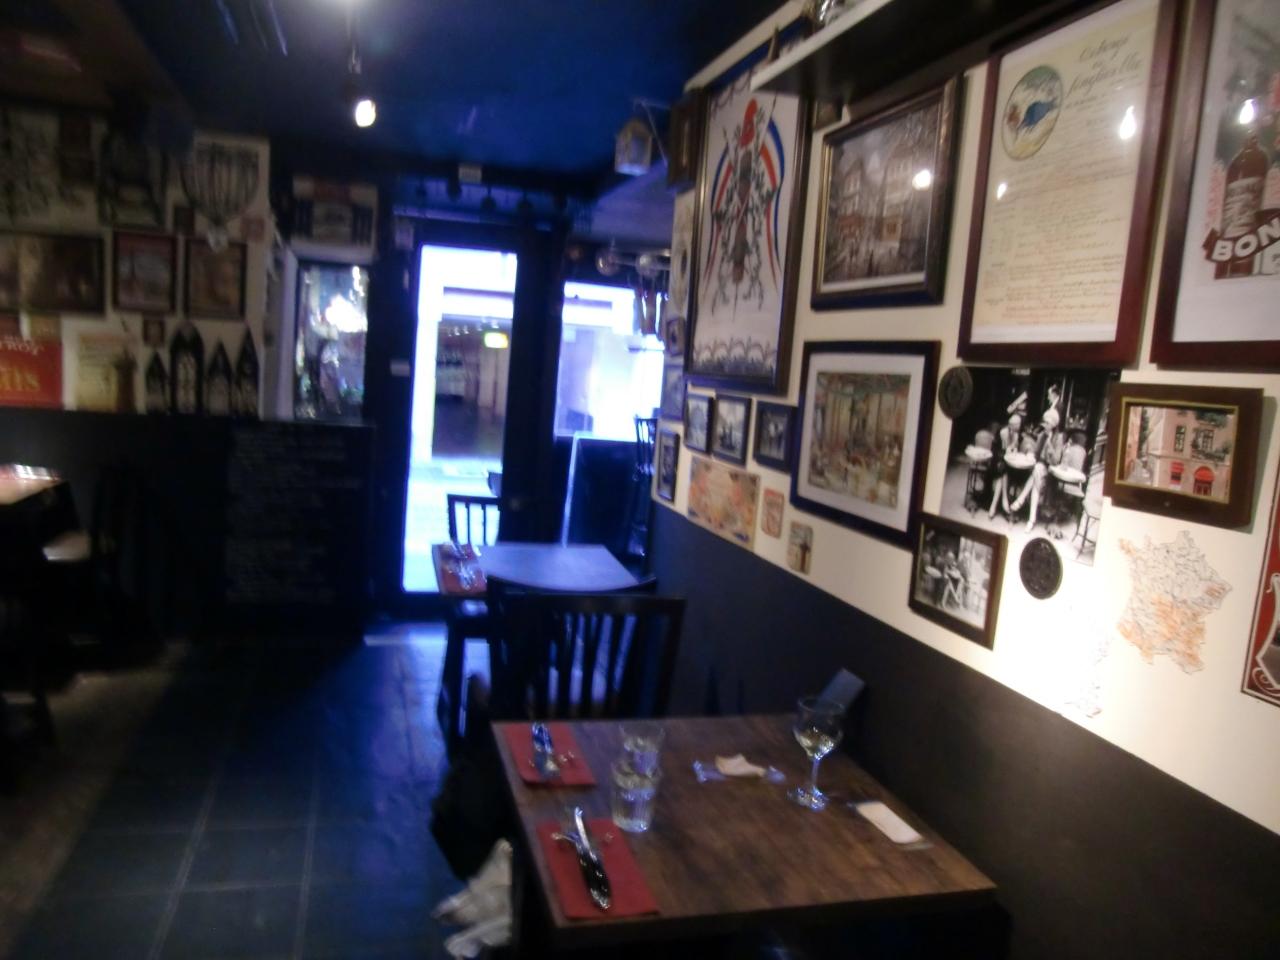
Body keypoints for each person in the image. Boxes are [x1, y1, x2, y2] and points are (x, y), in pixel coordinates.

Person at [1010, 407, 1064, 533]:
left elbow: (1056, 461)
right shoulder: (1042, 435)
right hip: (1039, 470)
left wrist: (1049, 443)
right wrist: (1032, 453)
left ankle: (1021, 499)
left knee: (1037, 469)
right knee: (1037, 474)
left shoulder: (1059, 438)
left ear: (1053, 424)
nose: (1044, 425)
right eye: (1044, 422)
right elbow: (1036, 454)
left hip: (1051, 472)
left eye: (1047, 423)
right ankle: (1031, 520)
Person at [988, 413, 1023, 519]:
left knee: (1004, 473)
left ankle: (993, 505)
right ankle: (1004, 499)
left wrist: (1014, 450)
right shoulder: (1002, 432)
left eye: (1019, 424)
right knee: (1003, 469)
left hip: (1009, 465)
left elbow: (1016, 449)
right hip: (997, 462)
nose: (1019, 426)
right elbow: (994, 451)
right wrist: (1004, 452)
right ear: (1012, 425)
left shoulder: (1018, 435)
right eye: (1017, 425)